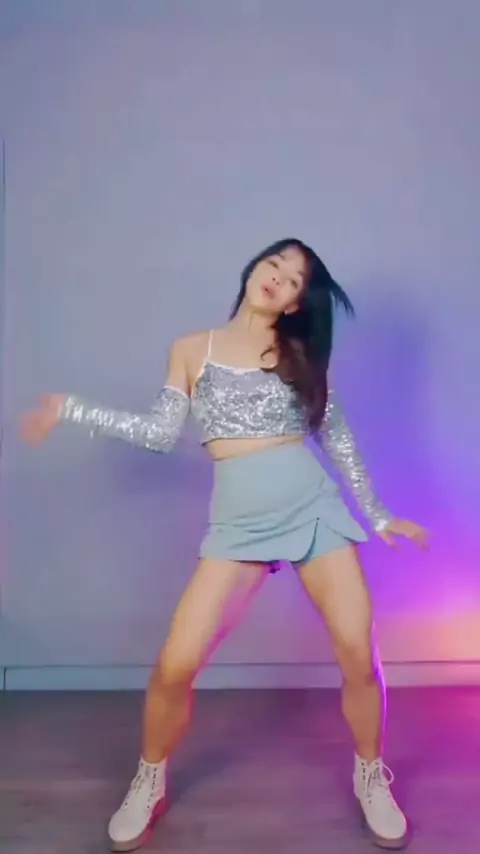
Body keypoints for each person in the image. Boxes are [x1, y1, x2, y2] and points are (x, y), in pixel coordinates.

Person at [21, 238, 427, 852]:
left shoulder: (300, 357)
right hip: (239, 523)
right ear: (254, 268)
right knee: (175, 665)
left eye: (294, 279)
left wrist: (377, 515)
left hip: (313, 511)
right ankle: (149, 779)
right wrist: (73, 409)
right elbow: (160, 433)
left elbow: (337, 438)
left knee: (357, 654)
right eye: (274, 264)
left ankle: (370, 774)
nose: (278, 278)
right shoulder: (192, 349)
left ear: (296, 303)